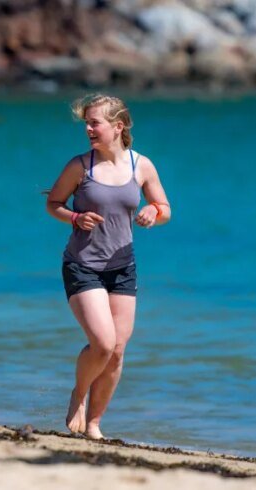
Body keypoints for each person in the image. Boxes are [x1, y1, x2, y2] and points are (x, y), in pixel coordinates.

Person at [46, 94, 171, 439]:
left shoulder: (141, 165)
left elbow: (164, 207)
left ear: (118, 127)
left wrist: (153, 213)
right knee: (102, 342)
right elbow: (53, 203)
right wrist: (74, 216)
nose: (88, 129)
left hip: (123, 267)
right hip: (82, 265)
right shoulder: (80, 166)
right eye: (86, 122)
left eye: (94, 122)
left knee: (116, 352)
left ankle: (95, 425)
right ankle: (78, 394)